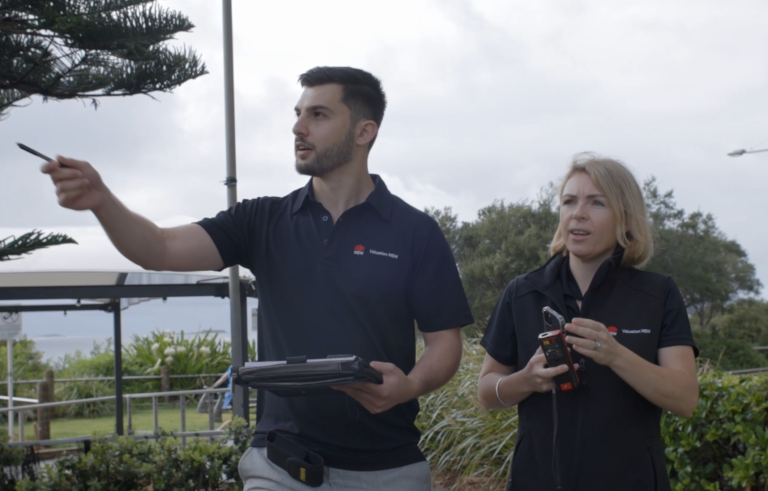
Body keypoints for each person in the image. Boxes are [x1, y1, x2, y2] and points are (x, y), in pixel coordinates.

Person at [42, 66, 473, 490]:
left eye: (318, 115)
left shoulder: (415, 232)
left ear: (364, 132)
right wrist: (102, 202)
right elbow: (158, 247)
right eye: (298, 113)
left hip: (388, 470)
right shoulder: (261, 219)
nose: (298, 127)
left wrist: (410, 386)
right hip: (280, 467)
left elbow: (444, 343)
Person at [477, 154, 698, 491]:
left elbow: (685, 399)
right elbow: (486, 393)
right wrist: (526, 380)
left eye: (597, 202)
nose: (578, 212)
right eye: (569, 201)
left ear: (625, 218)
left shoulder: (658, 294)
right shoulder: (523, 293)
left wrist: (615, 355)